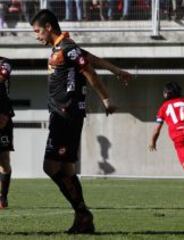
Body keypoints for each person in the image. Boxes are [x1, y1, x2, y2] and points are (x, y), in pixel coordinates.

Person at [30, 9, 118, 234]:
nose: (36, 35)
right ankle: (83, 219)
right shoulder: (66, 47)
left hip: (65, 115)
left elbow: (88, 70)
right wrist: (117, 70)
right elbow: (91, 58)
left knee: (50, 167)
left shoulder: (66, 49)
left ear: (49, 27)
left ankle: (83, 213)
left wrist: (106, 99)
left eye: (37, 31)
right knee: (67, 169)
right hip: (66, 115)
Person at [149, 81, 184, 178]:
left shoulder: (163, 108)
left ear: (167, 93)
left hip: (179, 136)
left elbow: (157, 129)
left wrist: (153, 141)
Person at [0, 56, 14, 209]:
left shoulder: (5, 63)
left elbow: (2, 76)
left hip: (3, 116)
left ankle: (2, 197)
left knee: (3, 160)